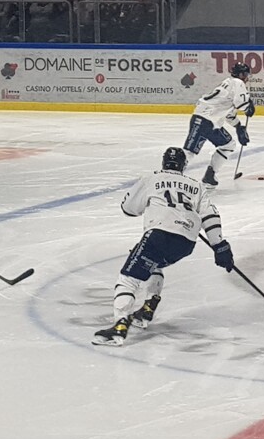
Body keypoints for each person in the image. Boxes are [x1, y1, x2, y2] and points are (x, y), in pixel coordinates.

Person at [93, 148, 234, 346]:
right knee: (153, 264)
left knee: (128, 279)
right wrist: (219, 246)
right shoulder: (196, 186)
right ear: (184, 166)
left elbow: (128, 208)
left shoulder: (151, 178)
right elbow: (210, 215)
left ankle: (119, 326)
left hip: (158, 235)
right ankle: (147, 308)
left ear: (163, 163)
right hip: (186, 243)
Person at [185, 61, 255, 187]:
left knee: (228, 144)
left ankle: (210, 175)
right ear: (241, 74)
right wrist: (248, 108)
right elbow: (242, 104)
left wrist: (238, 127)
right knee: (189, 152)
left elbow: (228, 113)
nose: (246, 78)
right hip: (203, 119)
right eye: (245, 75)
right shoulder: (237, 83)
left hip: (210, 122)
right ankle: (169, 175)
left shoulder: (229, 83)